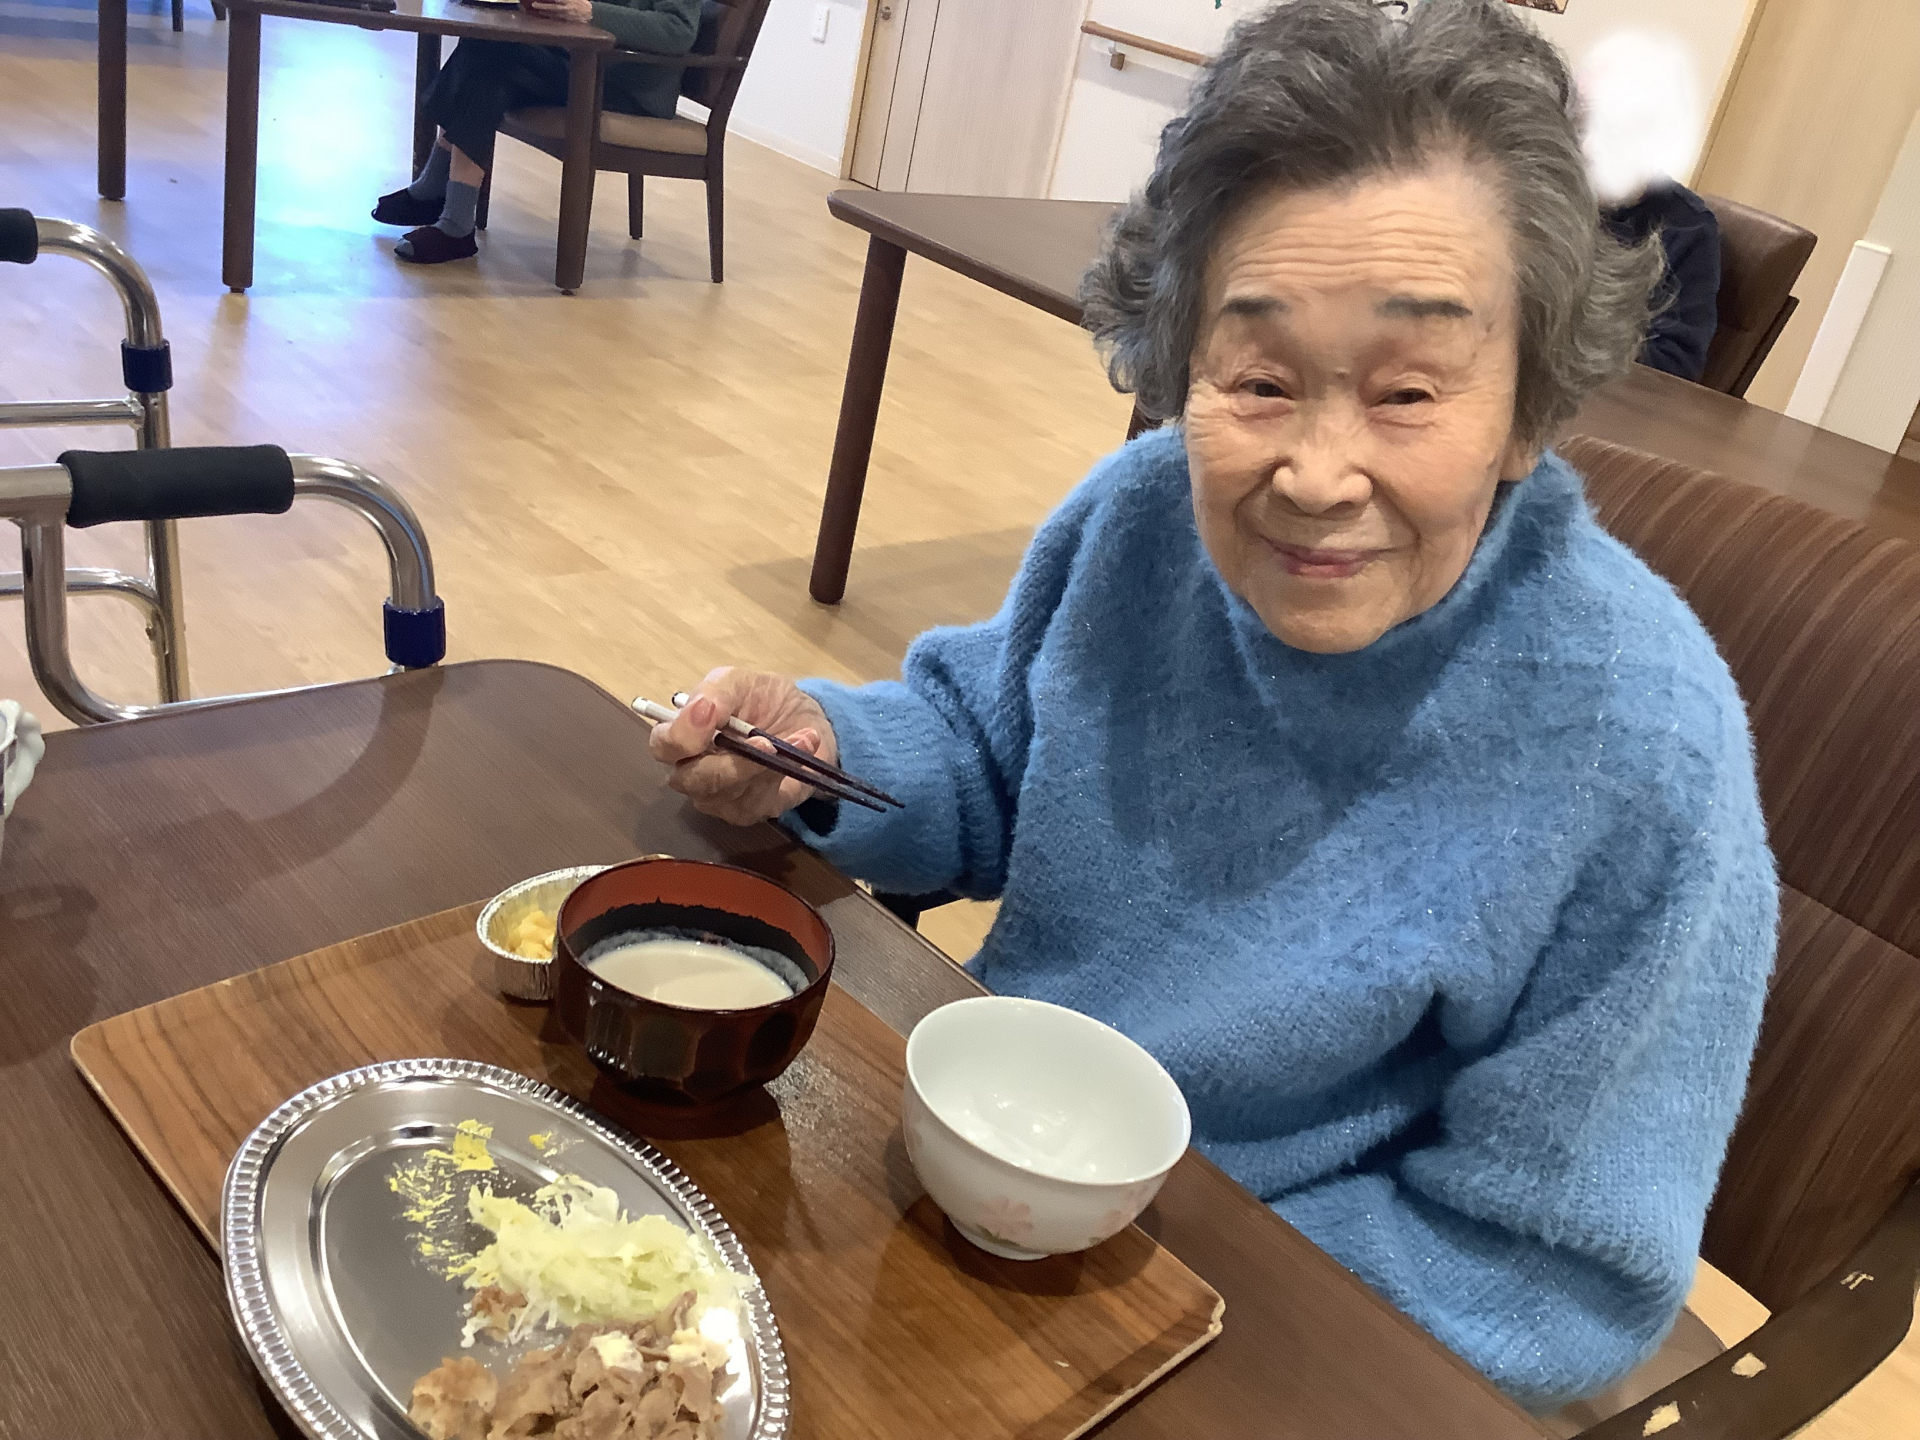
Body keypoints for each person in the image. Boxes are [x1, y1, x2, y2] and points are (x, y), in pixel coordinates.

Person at [650, 0, 1776, 1411]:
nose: (1316, 473)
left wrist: (1164, 1294)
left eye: (1408, 391)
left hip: (1267, 1320)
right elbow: (990, 754)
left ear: (1529, 410)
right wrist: (817, 752)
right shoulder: (1143, 520)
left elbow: (1551, 1267)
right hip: (999, 1171)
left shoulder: (1641, 744)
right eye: (1259, 379)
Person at [374, 0, 703, 265]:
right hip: (582, 58)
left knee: (491, 54)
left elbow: (678, 31)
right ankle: (445, 205)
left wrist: (591, 12)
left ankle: (447, 209)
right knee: (485, 46)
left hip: (627, 85)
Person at [1578, 30, 1722, 381]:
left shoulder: (1688, 230)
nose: (1591, 146)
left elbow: (1674, 363)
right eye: (1584, 123)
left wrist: (1564, 344)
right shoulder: (1538, 189)